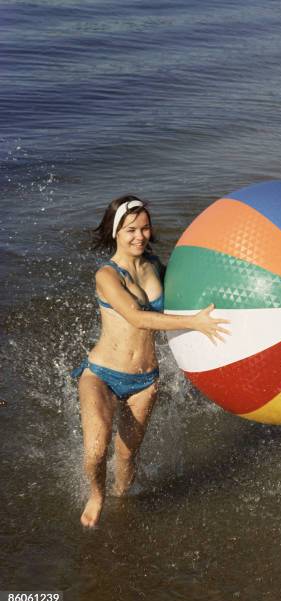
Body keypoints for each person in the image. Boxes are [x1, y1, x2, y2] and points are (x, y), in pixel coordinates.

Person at [72, 195, 229, 527]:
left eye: (144, 228)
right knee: (96, 451)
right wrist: (193, 323)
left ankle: (121, 504)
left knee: (128, 455)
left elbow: (191, 291)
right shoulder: (106, 275)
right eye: (130, 230)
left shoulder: (155, 265)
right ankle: (97, 494)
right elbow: (137, 317)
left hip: (145, 379)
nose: (139, 236)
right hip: (101, 374)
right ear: (115, 232)